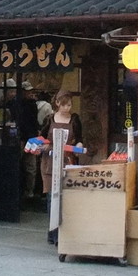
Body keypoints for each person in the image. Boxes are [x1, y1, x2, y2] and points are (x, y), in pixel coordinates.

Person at [39, 89, 84, 245]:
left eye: (69, 105)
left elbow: (79, 138)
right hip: (50, 162)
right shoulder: (49, 119)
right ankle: (53, 232)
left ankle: (63, 232)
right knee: (52, 197)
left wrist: (79, 145)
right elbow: (41, 138)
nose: (67, 108)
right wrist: (43, 146)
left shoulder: (74, 119)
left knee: (66, 197)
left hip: (68, 160)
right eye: (64, 105)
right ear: (57, 103)